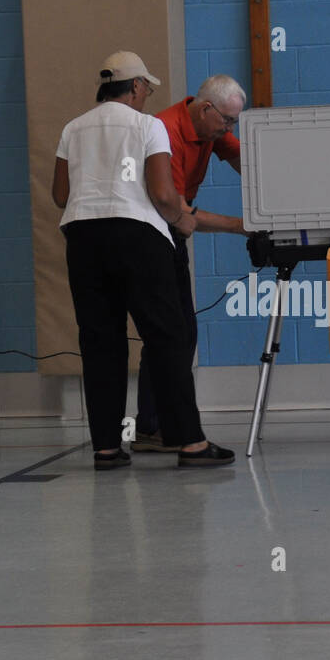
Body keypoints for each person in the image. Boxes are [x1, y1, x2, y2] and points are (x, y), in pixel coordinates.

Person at [52, 51, 234, 470]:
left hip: (82, 239)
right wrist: (181, 222)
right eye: (146, 88)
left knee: (100, 343)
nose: (148, 96)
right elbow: (163, 192)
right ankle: (190, 443)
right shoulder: (148, 126)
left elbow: (61, 195)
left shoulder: (73, 128)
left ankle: (107, 448)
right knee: (168, 338)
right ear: (135, 87)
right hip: (138, 238)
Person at [132, 75, 248, 453]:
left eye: (234, 123)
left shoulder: (210, 127)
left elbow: (244, 161)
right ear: (205, 109)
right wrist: (240, 225)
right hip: (156, 232)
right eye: (227, 122)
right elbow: (177, 212)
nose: (229, 130)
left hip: (171, 233)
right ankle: (155, 425)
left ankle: (155, 423)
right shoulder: (167, 131)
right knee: (172, 334)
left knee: (179, 333)